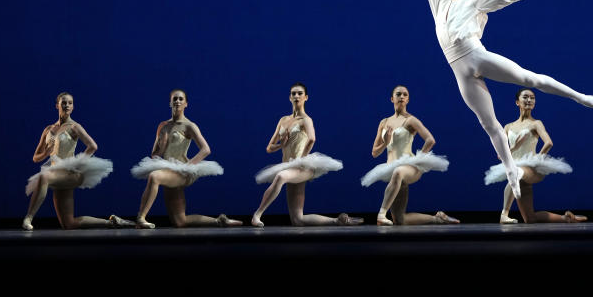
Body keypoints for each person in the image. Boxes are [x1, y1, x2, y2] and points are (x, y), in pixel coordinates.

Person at [413, 0, 593, 200]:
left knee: (531, 79)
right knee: (489, 124)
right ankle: (511, 171)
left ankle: (581, 97)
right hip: (459, 69)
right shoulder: (440, 1)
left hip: (477, 55)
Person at [251, 83, 361, 227]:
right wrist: (282, 145)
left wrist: (301, 159)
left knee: (280, 176)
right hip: (289, 167)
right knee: (297, 219)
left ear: (306, 97)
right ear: (290, 97)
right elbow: (269, 148)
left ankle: (257, 215)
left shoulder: (306, 120)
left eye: (300, 93)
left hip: (302, 167)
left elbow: (312, 138)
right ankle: (337, 220)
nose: (296, 96)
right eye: (293, 93)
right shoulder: (283, 120)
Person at [130, 89, 241, 228]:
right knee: (180, 221)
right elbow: (155, 156)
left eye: (181, 99)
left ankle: (141, 218)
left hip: (180, 170)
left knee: (154, 176)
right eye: (174, 99)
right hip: (167, 169)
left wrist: (187, 166)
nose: (177, 101)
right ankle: (220, 220)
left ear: (186, 104)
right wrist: (163, 143)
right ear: (170, 103)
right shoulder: (163, 125)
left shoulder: (189, 126)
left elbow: (206, 149)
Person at [23, 92, 128, 230]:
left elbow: (93, 146)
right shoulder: (48, 129)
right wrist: (46, 153)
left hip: (70, 173)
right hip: (56, 173)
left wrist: (77, 164)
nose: (67, 105)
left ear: (73, 107)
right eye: (64, 103)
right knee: (69, 224)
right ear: (57, 105)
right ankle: (112, 222)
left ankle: (28, 218)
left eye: (70, 103)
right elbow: (36, 157)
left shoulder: (74, 127)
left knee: (43, 177)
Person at [362, 85, 458, 226]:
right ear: (392, 98)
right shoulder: (384, 123)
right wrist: (385, 142)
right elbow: (374, 152)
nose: (401, 96)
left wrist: (417, 159)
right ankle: (438, 218)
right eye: (398, 94)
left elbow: (430, 140)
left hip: (408, 167)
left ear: (408, 100)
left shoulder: (411, 120)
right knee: (399, 219)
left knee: (398, 172)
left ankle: (381, 214)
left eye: (405, 95)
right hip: (390, 168)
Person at [484, 88, 583, 224]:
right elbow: (501, 156)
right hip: (517, 168)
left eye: (532, 98)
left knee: (515, 173)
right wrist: (515, 147)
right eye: (525, 97)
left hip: (531, 169)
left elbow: (549, 143)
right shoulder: (508, 127)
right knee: (530, 218)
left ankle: (504, 214)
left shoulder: (536, 123)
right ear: (517, 102)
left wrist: (536, 160)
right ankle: (566, 218)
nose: (529, 100)